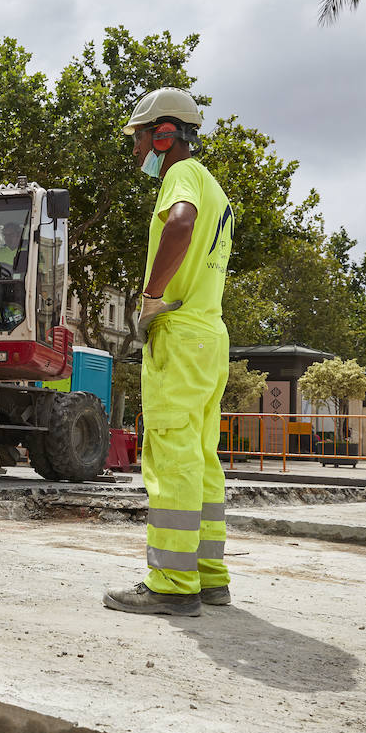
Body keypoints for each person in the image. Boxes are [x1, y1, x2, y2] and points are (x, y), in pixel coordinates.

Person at [103, 87, 233, 619]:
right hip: (209, 334)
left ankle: (172, 585)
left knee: (171, 455)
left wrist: (151, 295)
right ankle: (208, 577)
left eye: (139, 138)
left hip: (178, 331)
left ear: (164, 135)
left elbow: (178, 222)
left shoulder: (181, 176)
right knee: (201, 458)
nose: (136, 151)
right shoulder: (218, 191)